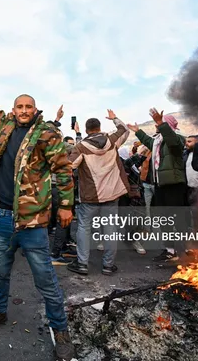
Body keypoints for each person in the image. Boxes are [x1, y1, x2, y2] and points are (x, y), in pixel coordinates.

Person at [0, 68, 75, 360]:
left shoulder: (47, 133)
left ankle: (60, 329)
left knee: (45, 278)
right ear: (13, 110)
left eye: (28, 106)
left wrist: (66, 205)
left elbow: (63, 169)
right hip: (4, 216)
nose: (24, 110)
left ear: (35, 110)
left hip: (33, 220)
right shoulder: (4, 125)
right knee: (0, 271)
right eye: (19, 106)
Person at [66, 111, 130, 276]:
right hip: (111, 194)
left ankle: (82, 264)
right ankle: (108, 265)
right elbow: (125, 130)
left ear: (87, 130)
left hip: (90, 196)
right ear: (99, 128)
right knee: (110, 229)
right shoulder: (112, 141)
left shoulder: (81, 147)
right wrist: (115, 118)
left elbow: (70, 166)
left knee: (84, 228)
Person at [128, 109, 186, 262]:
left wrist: (161, 123)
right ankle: (169, 250)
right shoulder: (158, 142)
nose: (156, 126)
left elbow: (172, 141)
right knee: (164, 219)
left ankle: (182, 251)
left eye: (160, 124)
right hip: (160, 185)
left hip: (174, 184)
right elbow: (149, 142)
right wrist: (138, 131)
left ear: (168, 125)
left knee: (177, 219)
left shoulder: (178, 139)